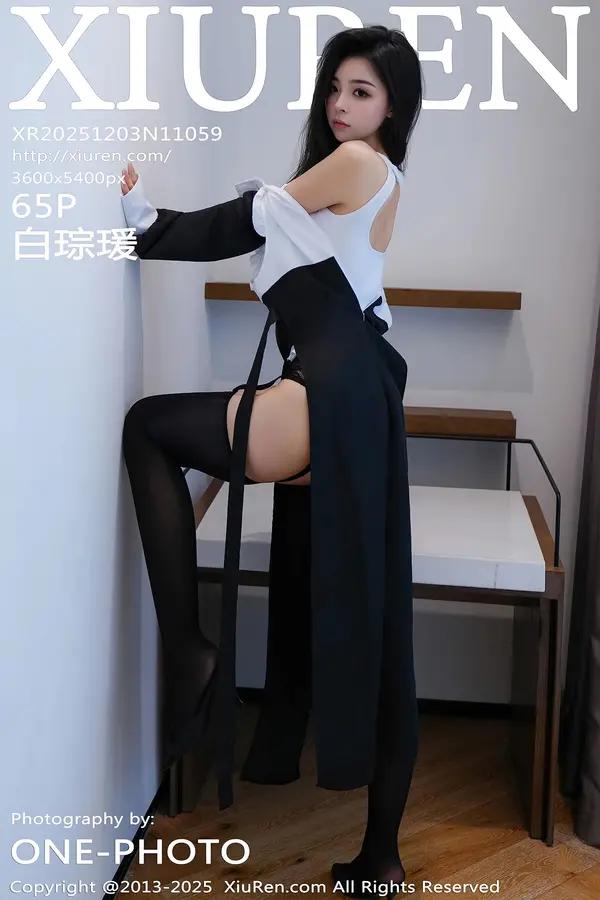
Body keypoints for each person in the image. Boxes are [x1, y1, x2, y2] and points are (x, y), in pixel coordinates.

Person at [121, 24, 423, 899]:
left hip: (325, 395)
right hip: (359, 401)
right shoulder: (380, 177)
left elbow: (243, 221)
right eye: (335, 87)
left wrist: (145, 228)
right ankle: (380, 855)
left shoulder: (355, 164)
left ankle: (190, 648)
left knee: (148, 428)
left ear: (392, 105)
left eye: (361, 91)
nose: (341, 104)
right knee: (377, 617)